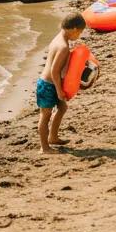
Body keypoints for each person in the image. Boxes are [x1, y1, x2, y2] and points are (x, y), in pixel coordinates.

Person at [37, 11, 87, 155]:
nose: (79, 36)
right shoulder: (63, 46)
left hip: (52, 84)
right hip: (48, 85)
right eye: (80, 33)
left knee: (62, 108)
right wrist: (59, 90)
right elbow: (54, 71)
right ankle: (44, 148)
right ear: (74, 29)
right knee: (45, 115)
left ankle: (53, 137)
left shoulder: (58, 38)